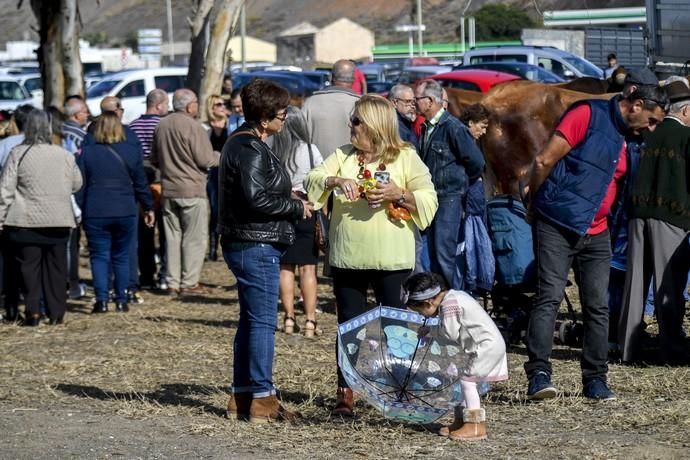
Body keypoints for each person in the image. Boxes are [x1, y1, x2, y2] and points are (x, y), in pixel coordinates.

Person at [524, 85, 668, 401]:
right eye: (652, 120)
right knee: (549, 297)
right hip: (558, 224)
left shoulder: (632, 138)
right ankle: (538, 375)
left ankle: (595, 380)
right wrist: (534, 203)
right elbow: (544, 160)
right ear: (637, 105)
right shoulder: (587, 114)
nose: (652, 128)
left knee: (598, 306)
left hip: (598, 231)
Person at [305, 94, 438, 417]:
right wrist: (334, 180)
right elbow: (312, 179)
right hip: (349, 257)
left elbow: (429, 197)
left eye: (356, 121)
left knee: (397, 329)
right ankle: (345, 393)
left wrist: (399, 194)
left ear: (375, 126)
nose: (350, 126)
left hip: (392, 259)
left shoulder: (405, 157)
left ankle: (398, 388)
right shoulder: (344, 155)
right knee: (348, 328)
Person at [219, 79, 312, 423]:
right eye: (281, 113)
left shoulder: (245, 143)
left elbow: (256, 192)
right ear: (263, 118)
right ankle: (262, 397)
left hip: (248, 240)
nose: (285, 118)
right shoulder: (249, 148)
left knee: (251, 321)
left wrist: (291, 200)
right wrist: (295, 208)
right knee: (261, 325)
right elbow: (256, 198)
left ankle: (242, 396)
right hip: (255, 243)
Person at [617, 81, 690, 364]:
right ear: (685, 111)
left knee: (635, 284)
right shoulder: (685, 136)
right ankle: (671, 348)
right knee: (669, 286)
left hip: (637, 214)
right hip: (671, 217)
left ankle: (628, 348)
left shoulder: (648, 134)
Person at [0, 110, 82, 325]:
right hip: (58, 220)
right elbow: (76, 183)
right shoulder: (64, 154)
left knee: (29, 269)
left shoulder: (18, 153)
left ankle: (33, 311)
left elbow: (5, 190)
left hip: (25, 221)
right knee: (57, 270)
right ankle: (56, 313)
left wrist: (1, 218)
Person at [404, 271, 507, 441]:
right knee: (465, 381)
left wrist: (430, 331)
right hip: (486, 345)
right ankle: (461, 421)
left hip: (485, 347)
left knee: (467, 381)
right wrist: (431, 329)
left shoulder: (449, 305)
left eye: (419, 311)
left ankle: (475, 426)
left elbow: (449, 333)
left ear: (428, 302)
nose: (420, 316)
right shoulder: (454, 296)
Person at [77, 112, 154, 313]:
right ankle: (122, 299)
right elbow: (140, 182)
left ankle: (102, 300)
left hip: (96, 209)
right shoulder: (130, 151)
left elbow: (80, 187)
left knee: (99, 256)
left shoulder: (87, 153)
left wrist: (78, 210)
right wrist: (148, 206)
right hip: (124, 207)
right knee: (121, 255)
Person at [415, 79, 485, 290]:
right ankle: (438, 298)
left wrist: (459, 184)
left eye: (417, 99)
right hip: (432, 198)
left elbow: (476, 162)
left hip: (449, 198)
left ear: (429, 101)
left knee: (445, 254)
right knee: (434, 254)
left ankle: (453, 299)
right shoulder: (428, 127)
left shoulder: (452, 127)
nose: (414, 103)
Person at [151, 88, 219, 296]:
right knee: (194, 238)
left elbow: (154, 158)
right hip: (192, 189)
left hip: (169, 189)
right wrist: (221, 155)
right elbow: (205, 159)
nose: (198, 106)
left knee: (172, 238)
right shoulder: (193, 126)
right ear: (190, 106)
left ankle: (172, 281)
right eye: (197, 103)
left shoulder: (161, 125)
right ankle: (189, 283)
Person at [273, 106, 324, 337]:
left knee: (285, 268)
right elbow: (321, 183)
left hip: (283, 211)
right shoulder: (311, 151)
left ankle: (289, 318)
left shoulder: (274, 149)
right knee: (308, 269)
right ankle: (310, 321)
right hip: (307, 209)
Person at [129, 89, 169, 290]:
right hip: (160, 178)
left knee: (144, 230)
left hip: (139, 182)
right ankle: (165, 273)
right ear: (159, 105)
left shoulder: (133, 126)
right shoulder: (162, 125)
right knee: (164, 230)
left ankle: (146, 274)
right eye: (167, 104)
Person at [302, 59, 360, 159]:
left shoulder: (311, 102)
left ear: (331, 77)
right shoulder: (362, 104)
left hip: (319, 169)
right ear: (354, 79)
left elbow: (301, 139)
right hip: (353, 169)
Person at [63, 96, 90, 300]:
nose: (87, 115)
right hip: (73, 195)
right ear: (75, 115)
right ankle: (71, 281)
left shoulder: (59, 132)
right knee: (72, 243)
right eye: (85, 112)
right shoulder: (80, 135)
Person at [202, 94, 229, 262]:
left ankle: (226, 245)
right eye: (218, 104)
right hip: (212, 173)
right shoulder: (205, 128)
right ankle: (212, 248)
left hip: (228, 173)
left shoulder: (231, 125)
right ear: (211, 108)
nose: (222, 107)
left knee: (228, 210)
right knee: (214, 209)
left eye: (223, 104)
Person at [0, 104, 34, 169]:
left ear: (14, 122)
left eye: (10, 122)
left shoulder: (6, 144)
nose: (8, 128)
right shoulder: (45, 143)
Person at [388, 84, 418, 151]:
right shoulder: (393, 125)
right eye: (407, 101)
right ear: (395, 102)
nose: (412, 106)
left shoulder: (405, 121)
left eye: (413, 101)